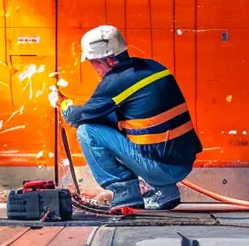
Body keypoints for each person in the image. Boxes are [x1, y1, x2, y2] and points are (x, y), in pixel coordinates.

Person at [52, 25, 201, 210]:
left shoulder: (116, 81)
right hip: (184, 163)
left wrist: (62, 103)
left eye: (93, 63)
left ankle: (125, 193)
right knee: (111, 121)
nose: (95, 68)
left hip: (160, 169)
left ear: (107, 60)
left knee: (87, 131)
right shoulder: (154, 67)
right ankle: (165, 191)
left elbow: (77, 117)